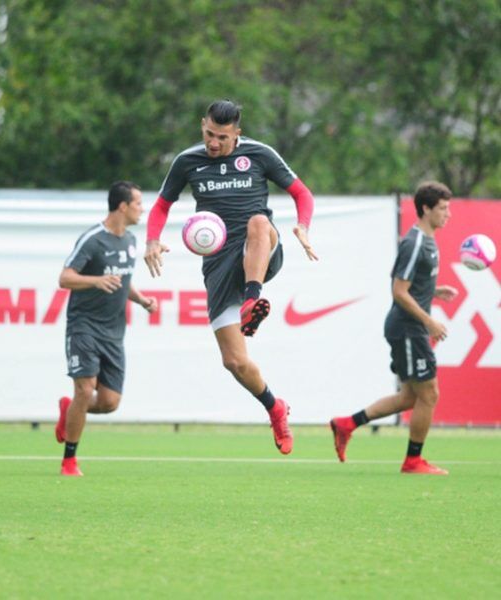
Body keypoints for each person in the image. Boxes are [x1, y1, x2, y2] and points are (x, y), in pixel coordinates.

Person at [144, 99, 317, 454]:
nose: (213, 143)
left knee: (258, 220)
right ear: (202, 125)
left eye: (222, 137)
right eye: (209, 133)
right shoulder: (187, 161)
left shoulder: (259, 154)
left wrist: (302, 226)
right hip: (219, 264)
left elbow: (301, 192)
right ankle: (275, 407)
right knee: (235, 362)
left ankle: (252, 300)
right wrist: (152, 240)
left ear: (236, 133)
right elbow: (162, 205)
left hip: (261, 249)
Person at [330, 181, 458, 475]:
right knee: (430, 394)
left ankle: (346, 424)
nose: (448, 214)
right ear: (425, 209)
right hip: (409, 328)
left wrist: (434, 292)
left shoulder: (427, 240)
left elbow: (413, 285)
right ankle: (413, 461)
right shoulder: (414, 243)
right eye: (443, 208)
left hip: (410, 328)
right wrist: (430, 321)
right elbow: (399, 291)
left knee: (410, 397)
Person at [54, 181, 158, 476]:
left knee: (110, 403)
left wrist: (140, 300)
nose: (142, 209)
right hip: (83, 326)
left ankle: (69, 409)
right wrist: (95, 281)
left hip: (114, 332)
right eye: (138, 203)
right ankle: (69, 461)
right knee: (85, 390)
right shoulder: (93, 240)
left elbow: (122, 280)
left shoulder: (131, 241)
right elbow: (65, 278)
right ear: (123, 206)